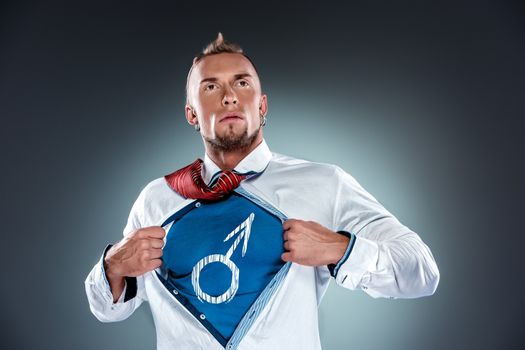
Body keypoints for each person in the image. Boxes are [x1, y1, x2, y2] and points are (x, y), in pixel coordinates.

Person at [85, 33, 440, 350]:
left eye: (242, 84)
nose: (228, 97)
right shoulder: (157, 198)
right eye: (211, 87)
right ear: (192, 114)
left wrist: (340, 249)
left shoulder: (324, 184)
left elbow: (422, 272)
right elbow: (106, 308)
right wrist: (112, 265)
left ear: (262, 105)